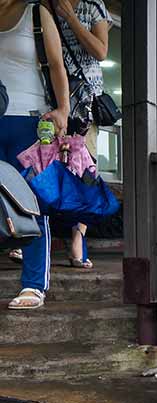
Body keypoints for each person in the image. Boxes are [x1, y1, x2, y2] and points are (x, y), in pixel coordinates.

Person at [1, 0, 70, 309]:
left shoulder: (35, 11)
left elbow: (56, 65)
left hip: (29, 121)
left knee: (31, 202)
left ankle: (33, 284)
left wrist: (63, 109)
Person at [50, 0, 112, 270]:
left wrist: (72, 19)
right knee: (44, 168)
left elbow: (101, 51)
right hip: (49, 96)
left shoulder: (92, 5)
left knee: (86, 172)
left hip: (85, 102)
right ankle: (31, 236)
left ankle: (78, 237)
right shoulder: (44, 5)